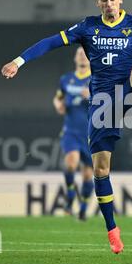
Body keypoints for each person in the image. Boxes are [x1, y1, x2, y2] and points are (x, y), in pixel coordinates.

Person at [1, 0, 132, 254]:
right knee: (100, 170)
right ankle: (112, 230)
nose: (109, 3)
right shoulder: (87, 27)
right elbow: (51, 42)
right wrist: (18, 61)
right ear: (98, 3)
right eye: (104, 0)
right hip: (102, 105)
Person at [53, 46, 93, 221]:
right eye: (79, 54)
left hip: (91, 133)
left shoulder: (96, 80)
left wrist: (92, 95)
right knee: (71, 163)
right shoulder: (66, 79)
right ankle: (70, 194)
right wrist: (58, 105)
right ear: (75, 59)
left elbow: (108, 102)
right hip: (71, 131)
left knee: (87, 175)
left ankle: (83, 207)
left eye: (85, 54)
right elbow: (58, 97)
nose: (83, 56)